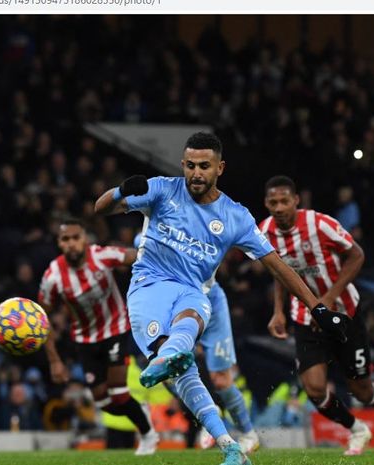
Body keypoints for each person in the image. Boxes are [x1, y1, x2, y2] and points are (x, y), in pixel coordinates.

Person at [95, 132, 345, 465]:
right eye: (190, 165)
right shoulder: (161, 189)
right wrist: (121, 190)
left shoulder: (235, 216)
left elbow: (277, 265)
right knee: (184, 375)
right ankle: (228, 443)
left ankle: (236, 422)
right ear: (183, 164)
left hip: (198, 293)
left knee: (213, 359)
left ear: (219, 168)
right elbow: (101, 208)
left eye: (204, 166)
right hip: (149, 288)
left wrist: (317, 306)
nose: (196, 173)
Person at [259, 175, 374, 455]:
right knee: (314, 389)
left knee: (362, 390)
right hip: (306, 319)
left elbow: (357, 255)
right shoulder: (264, 231)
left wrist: (328, 299)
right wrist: (278, 311)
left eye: (284, 201)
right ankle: (356, 429)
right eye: (273, 202)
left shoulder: (320, 224)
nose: (279, 207)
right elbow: (278, 272)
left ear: (296, 200)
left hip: (344, 314)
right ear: (266, 204)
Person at [38, 217, 158, 455]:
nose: (71, 243)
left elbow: (134, 256)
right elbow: (42, 319)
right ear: (59, 243)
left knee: (119, 392)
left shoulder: (101, 256)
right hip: (84, 340)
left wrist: (155, 250)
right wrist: (54, 360)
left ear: (84, 239)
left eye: (76, 237)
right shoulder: (53, 276)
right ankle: (138, 411)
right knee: (103, 401)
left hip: (115, 328)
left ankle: (148, 435)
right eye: (66, 239)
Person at [133, 232, 260, 454]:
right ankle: (211, 423)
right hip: (175, 306)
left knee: (222, 380)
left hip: (211, 302)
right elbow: (140, 243)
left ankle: (248, 433)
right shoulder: (157, 232)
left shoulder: (200, 230)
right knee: (173, 371)